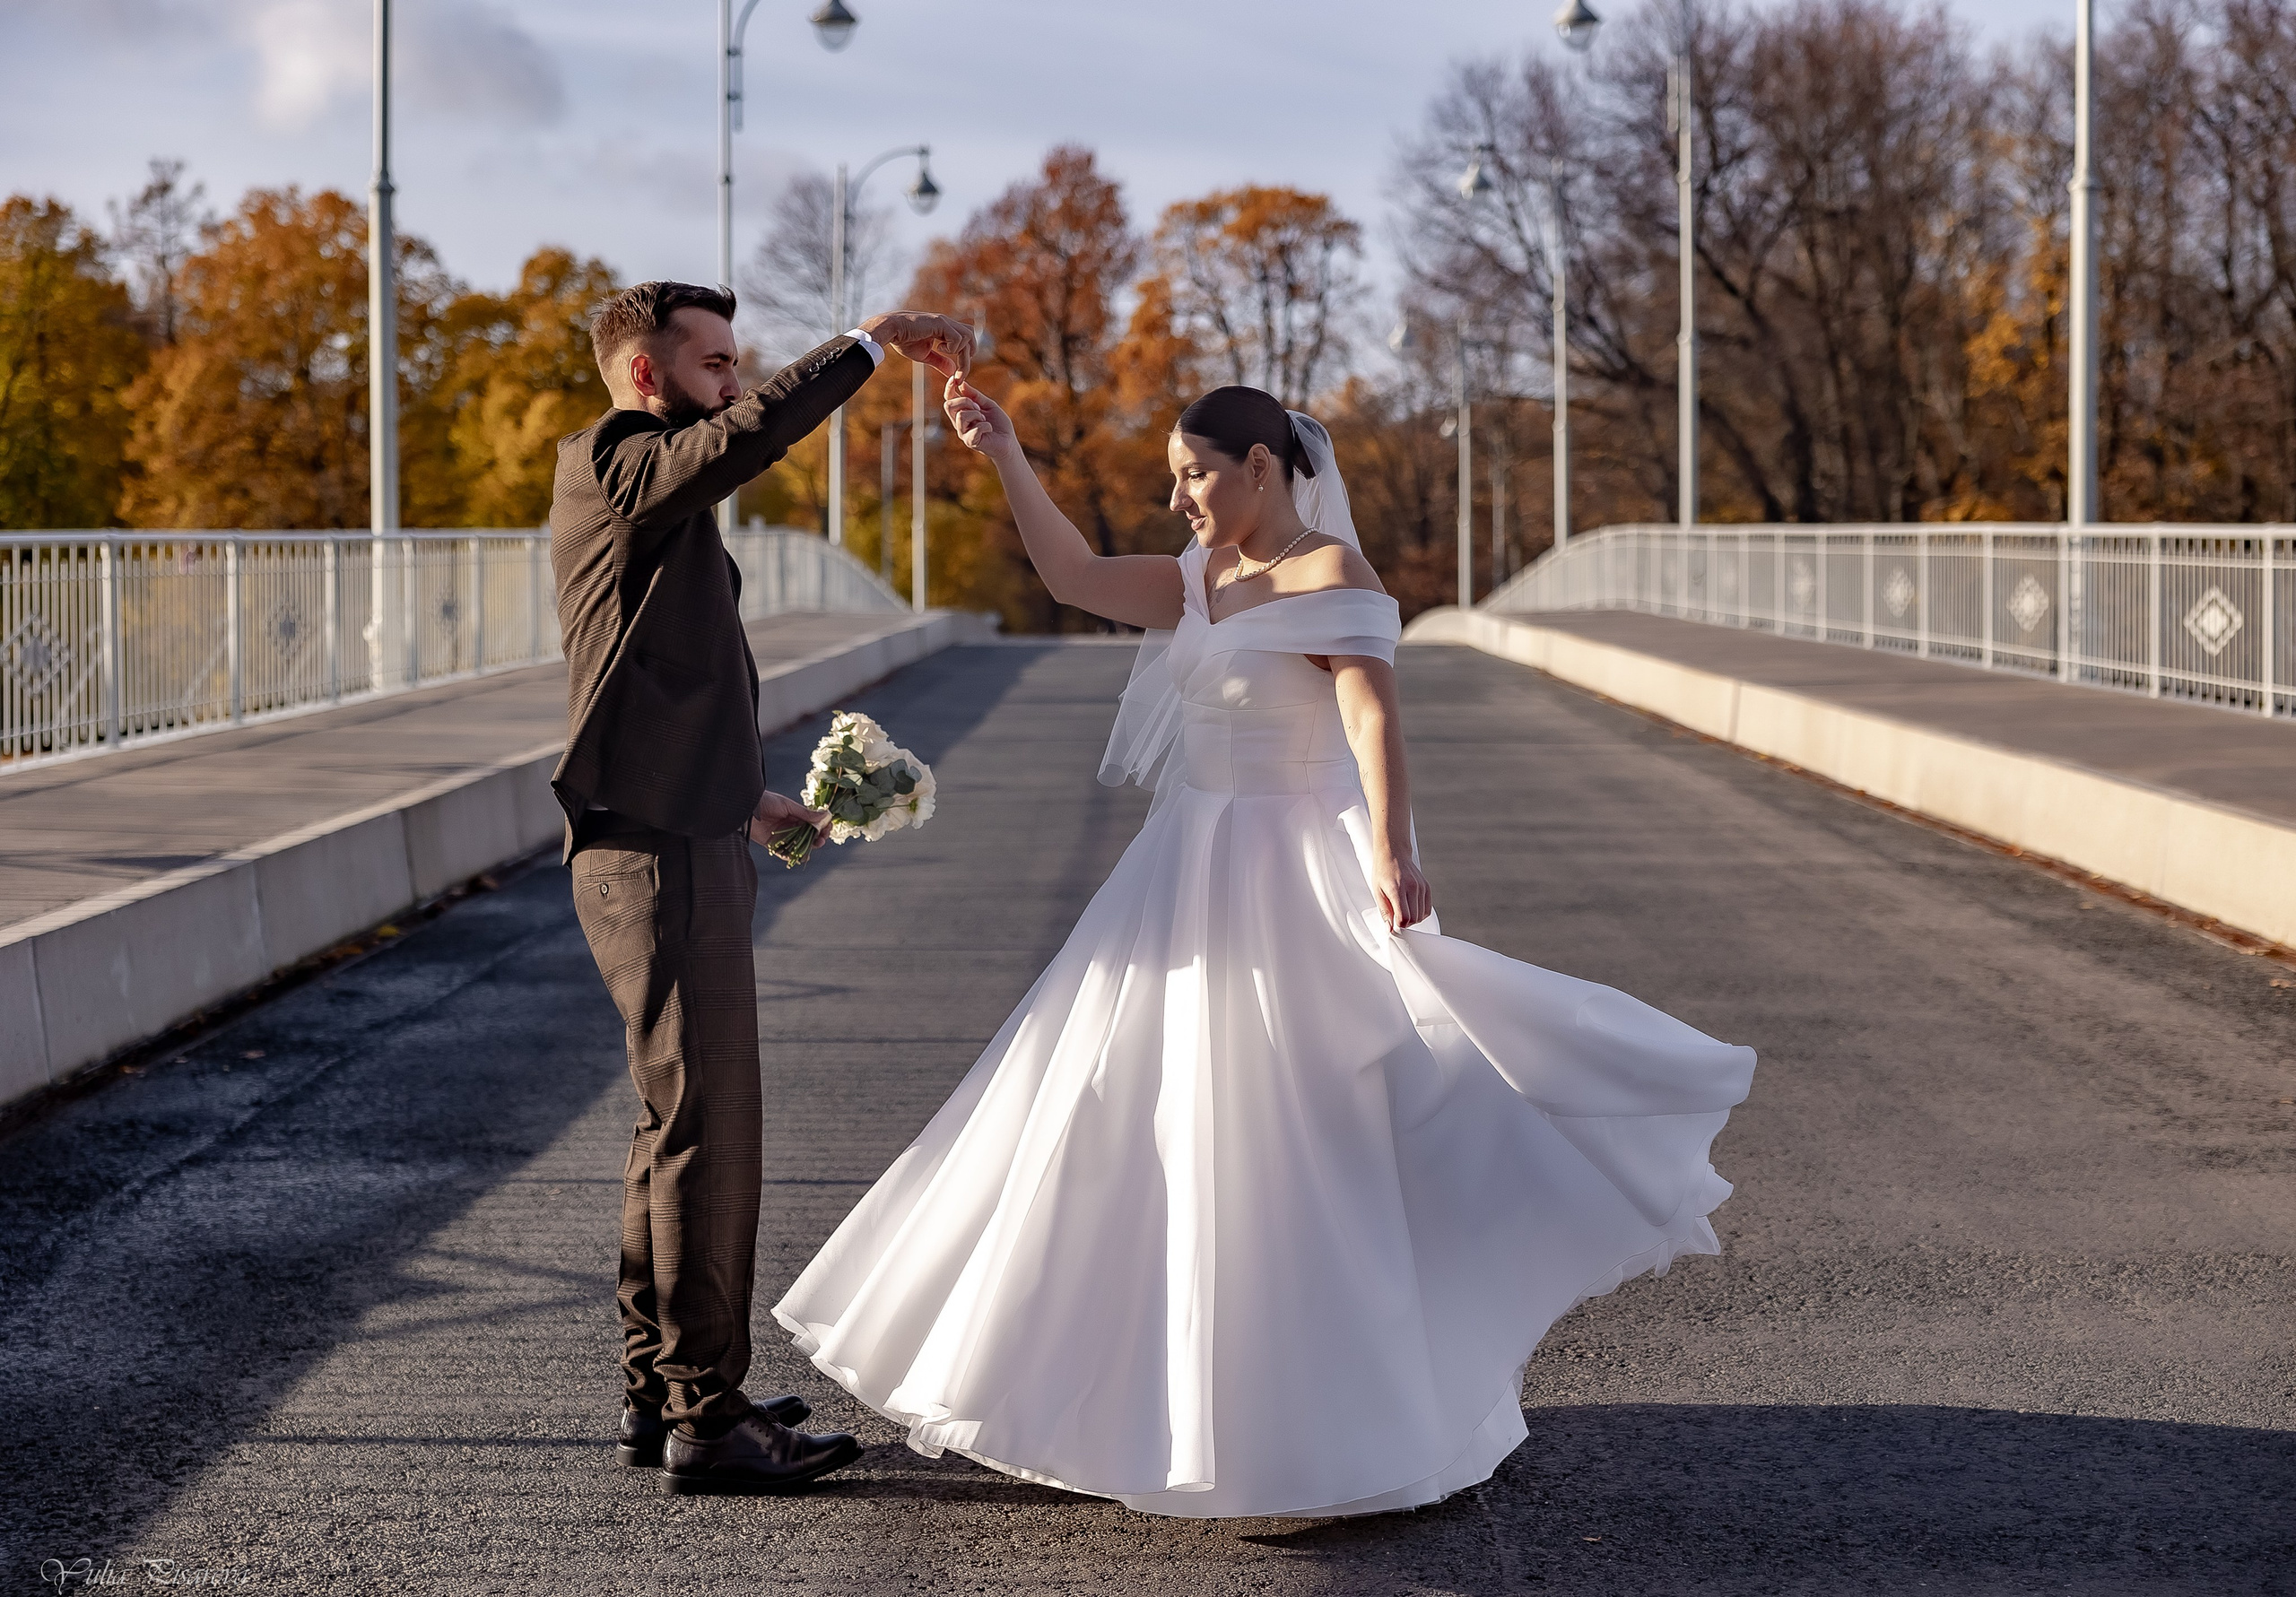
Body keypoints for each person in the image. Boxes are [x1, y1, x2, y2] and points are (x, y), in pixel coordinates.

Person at [773, 381, 1759, 1517]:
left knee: (1297, 1139)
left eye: (1194, 474)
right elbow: (1073, 577)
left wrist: (1389, 849)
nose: (1179, 496)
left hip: (1289, 871)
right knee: (1127, 1122)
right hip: (1181, 875)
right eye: (1173, 478)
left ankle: (1334, 1428)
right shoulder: (1197, 580)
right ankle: (1168, 1416)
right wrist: (1002, 451)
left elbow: (1372, 717)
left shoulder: (1331, 575)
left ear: (1258, 465)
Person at [547, 280, 974, 1496]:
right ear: (647, 376)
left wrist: (747, 798)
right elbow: (748, 439)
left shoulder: (645, 495)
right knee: (709, 1132)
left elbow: (664, 676)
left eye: (741, 366)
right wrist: (867, 348)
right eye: (717, 365)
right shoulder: (619, 459)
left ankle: (659, 1389)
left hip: (682, 832)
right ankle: (710, 1417)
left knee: (673, 1124)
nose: (736, 385)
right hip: (655, 858)